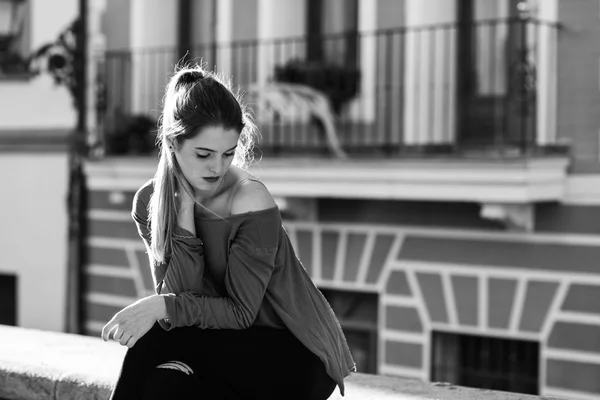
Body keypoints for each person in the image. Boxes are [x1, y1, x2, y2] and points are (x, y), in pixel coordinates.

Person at [101, 65, 355, 400]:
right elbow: (183, 299)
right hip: (221, 343)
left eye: (228, 153)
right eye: (204, 154)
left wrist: (159, 307)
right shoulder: (150, 202)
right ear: (172, 144)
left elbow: (237, 313)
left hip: (293, 350)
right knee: (168, 385)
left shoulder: (249, 200)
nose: (217, 168)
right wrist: (184, 217)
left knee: (155, 341)